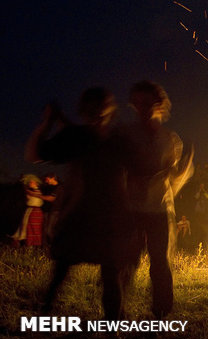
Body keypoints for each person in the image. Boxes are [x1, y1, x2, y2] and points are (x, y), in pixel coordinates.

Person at [25, 87, 140, 319]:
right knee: (63, 267)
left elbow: (138, 172)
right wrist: (47, 124)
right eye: (92, 107)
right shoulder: (77, 137)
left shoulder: (118, 140)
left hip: (113, 216)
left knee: (110, 271)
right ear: (84, 111)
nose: (97, 112)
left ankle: (112, 325)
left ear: (110, 110)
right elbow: (35, 154)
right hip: (83, 214)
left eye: (102, 106)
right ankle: (43, 314)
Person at [119, 80, 193, 318]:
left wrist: (183, 170)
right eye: (137, 103)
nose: (142, 108)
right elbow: (119, 168)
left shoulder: (170, 139)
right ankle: (116, 310)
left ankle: (161, 313)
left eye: (147, 102)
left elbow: (172, 177)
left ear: (159, 104)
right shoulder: (127, 135)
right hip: (130, 209)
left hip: (159, 209)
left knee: (160, 262)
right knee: (126, 262)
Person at [11, 175, 44, 249]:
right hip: (30, 210)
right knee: (27, 227)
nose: (30, 183)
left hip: (36, 211)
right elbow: (28, 197)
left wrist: (27, 189)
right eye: (29, 182)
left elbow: (34, 194)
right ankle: (28, 244)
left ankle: (34, 245)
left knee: (34, 228)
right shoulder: (30, 191)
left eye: (32, 182)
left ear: (36, 183)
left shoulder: (38, 191)